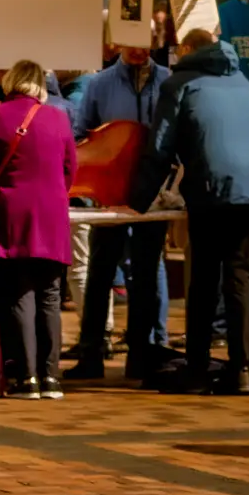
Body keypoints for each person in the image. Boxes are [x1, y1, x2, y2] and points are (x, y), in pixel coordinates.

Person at [133, 28, 249, 394]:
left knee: (204, 279)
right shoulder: (243, 82)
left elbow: (160, 146)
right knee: (239, 278)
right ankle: (241, 371)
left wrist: (137, 201)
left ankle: (197, 369)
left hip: (213, 189)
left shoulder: (180, 83)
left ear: (186, 49)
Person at [0, 58, 77, 399]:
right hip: (52, 215)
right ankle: (51, 377)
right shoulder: (59, 117)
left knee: (17, 292)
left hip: (10, 215)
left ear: (10, 81)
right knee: (50, 295)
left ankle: (25, 377)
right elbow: (70, 169)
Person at [67, 43, 173, 382]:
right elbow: (82, 134)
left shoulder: (168, 80)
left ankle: (142, 355)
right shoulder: (100, 83)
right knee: (100, 273)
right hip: (109, 194)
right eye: (132, 43)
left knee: (146, 275)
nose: (139, 50)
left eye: (144, 43)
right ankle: (91, 355)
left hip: (153, 194)